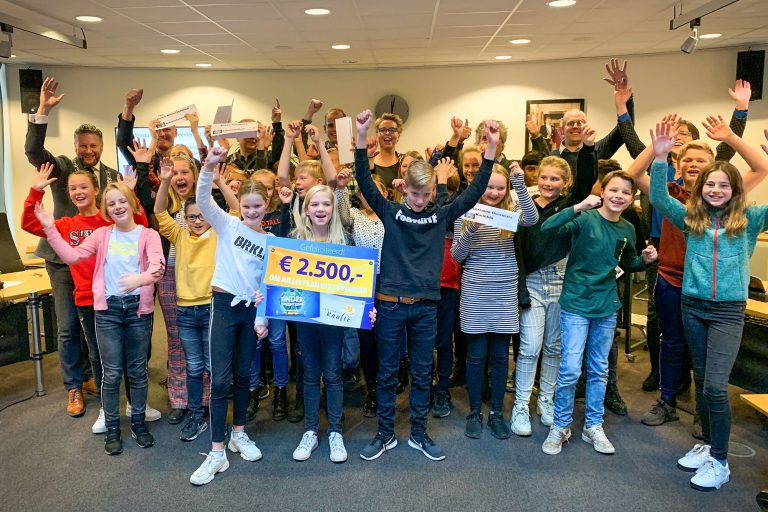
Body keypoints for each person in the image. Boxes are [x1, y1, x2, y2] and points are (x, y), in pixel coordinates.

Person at [355, 109, 498, 462]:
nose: (419, 200)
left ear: (434, 190)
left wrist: (491, 150)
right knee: (387, 374)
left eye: (425, 194)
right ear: (404, 188)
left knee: (423, 373)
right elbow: (363, 178)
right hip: (390, 304)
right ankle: (385, 434)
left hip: (425, 308)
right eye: (414, 194)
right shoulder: (390, 211)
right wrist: (360, 136)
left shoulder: (441, 214)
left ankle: (418, 434)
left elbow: (475, 191)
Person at [649, 120, 768, 492]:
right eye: (710, 185)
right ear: (701, 189)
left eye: (724, 185)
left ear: (735, 189)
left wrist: (738, 140)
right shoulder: (692, 219)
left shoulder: (749, 219)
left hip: (727, 311)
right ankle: (706, 446)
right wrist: (660, 157)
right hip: (693, 306)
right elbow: (658, 198)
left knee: (716, 386)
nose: (716, 190)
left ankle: (720, 460)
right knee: (702, 381)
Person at [36, 182, 165, 455]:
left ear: (132, 203)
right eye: (111, 203)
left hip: (138, 311)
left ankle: (138, 423)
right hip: (108, 312)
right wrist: (49, 228)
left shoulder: (148, 235)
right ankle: (113, 427)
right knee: (111, 372)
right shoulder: (102, 235)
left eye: (122, 201)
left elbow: (158, 267)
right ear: (106, 209)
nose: (117, 207)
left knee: (137, 370)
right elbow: (72, 256)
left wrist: (140, 279)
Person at [21, 163, 149, 434]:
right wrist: (35, 191)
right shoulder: (67, 225)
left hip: (118, 297)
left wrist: (130, 193)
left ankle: (134, 404)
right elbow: (29, 223)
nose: (78, 192)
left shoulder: (109, 221)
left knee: (129, 354)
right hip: (87, 301)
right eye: (72, 188)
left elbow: (140, 225)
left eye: (83, 187)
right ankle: (105, 408)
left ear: (96, 190)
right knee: (98, 356)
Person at [540, 171, 657, 456]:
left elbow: (628, 262)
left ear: (632, 198)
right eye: (613, 190)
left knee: (599, 369)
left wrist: (644, 260)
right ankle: (561, 425)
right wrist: (579, 206)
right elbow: (547, 227)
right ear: (602, 192)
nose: (619, 196)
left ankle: (593, 425)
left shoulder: (628, 228)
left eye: (626, 192)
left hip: (606, 307)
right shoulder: (585, 218)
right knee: (570, 369)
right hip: (576, 304)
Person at [24, 76, 118, 417]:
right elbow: (34, 152)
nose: (89, 151)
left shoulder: (111, 175)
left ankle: (92, 377)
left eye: (94, 146)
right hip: (62, 259)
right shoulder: (64, 167)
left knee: (95, 324)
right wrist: (42, 111)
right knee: (67, 326)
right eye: (83, 146)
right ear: (76, 146)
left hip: (97, 262)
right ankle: (74, 387)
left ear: (102, 146)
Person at [188, 146, 270, 485]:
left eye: (257, 206)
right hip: (223, 306)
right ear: (240, 206)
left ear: (267, 206)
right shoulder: (228, 224)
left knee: (243, 375)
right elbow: (203, 199)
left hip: (251, 314)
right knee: (220, 380)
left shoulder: (272, 241)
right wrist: (208, 166)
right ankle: (217, 452)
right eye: (247, 206)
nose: (251, 211)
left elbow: (269, 284)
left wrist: (263, 318)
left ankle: (238, 433)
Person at [511, 125, 598, 436]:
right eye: (544, 177)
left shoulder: (571, 205)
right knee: (529, 347)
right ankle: (521, 404)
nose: (548, 183)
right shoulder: (525, 206)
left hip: (562, 282)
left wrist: (588, 149)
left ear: (565, 182)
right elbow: (519, 250)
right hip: (533, 282)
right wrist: (520, 287)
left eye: (555, 179)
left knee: (554, 347)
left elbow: (587, 181)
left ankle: (545, 400)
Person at [451, 162, 538, 439]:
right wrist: (472, 229)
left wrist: (520, 184)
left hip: (504, 291)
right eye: (489, 187)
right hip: (475, 291)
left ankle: (497, 413)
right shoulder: (465, 212)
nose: (495, 192)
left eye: (501, 188)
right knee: (476, 355)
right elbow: (457, 255)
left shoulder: (510, 212)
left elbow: (532, 219)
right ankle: (474, 412)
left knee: (501, 356)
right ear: (479, 186)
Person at [154, 156, 238, 442]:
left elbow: (236, 210)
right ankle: (195, 416)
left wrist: (220, 183)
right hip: (186, 312)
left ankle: (217, 416)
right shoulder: (179, 236)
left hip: (212, 309)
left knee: (215, 367)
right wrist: (165, 181)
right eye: (192, 217)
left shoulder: (219, 234)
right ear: (185, 219)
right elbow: (159, 211)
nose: (198, 221)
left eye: (203, 216)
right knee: (193, 366)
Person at [290, 184, 374, 463]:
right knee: (310, 374)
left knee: (334, 375)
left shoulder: (344, 242)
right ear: (306, 209)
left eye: (326, 204)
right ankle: (311, 431)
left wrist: (367, 309)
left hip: (334, 320)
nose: (321, 209)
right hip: (306, 319)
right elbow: (280, 280)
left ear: (333, 209)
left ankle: (335, 431)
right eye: (315, 204)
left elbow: (358, 283)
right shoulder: (295, 240)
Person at [334, 170, 387, 417]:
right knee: (367, 339)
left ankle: (388, 384)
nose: (369, 195)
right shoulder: (354, 215)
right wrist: (341, 188)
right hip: (362, 283)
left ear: (385, 194)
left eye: (375, 191)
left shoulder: (390, 214)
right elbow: (342, 215)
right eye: (365, 191)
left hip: (388, 282)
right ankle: (372, 388)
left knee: (388, 337)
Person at [247, 169, 293, 422]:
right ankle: (253, 391)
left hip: (277, 290)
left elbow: (286, 240)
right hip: (251, 292)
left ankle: (281, 392)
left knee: (277, 342)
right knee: (254, 344)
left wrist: (286, 207)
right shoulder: (245, 219)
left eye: (268, 187)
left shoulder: (279, 216)